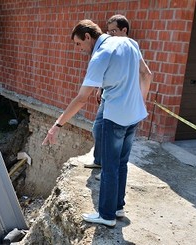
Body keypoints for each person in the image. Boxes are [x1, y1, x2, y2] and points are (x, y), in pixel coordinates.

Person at [42, 19, 152, 227]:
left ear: (87, 36)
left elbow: (82, 97)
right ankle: (118, 207)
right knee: (121, 163)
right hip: (134, 115)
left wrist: (57, 125)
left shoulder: (100, 56)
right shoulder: (129, 43)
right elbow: (147, 75)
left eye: (78, 44)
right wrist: (140, 101)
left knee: (109, 167)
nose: (79, 49)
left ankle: (107, 215)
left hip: (115, 117)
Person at [84, 14, 139, 183]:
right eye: (109, 31)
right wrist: (100, 88)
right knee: (97, 129)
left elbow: (142, 75)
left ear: (125, 30)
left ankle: (108, 172)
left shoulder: (129, 48)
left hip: (121, 104)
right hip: (108, 97)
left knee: (115, 145)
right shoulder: (109, 47)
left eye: (114, 31)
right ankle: (100, 162)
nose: (111, 34)